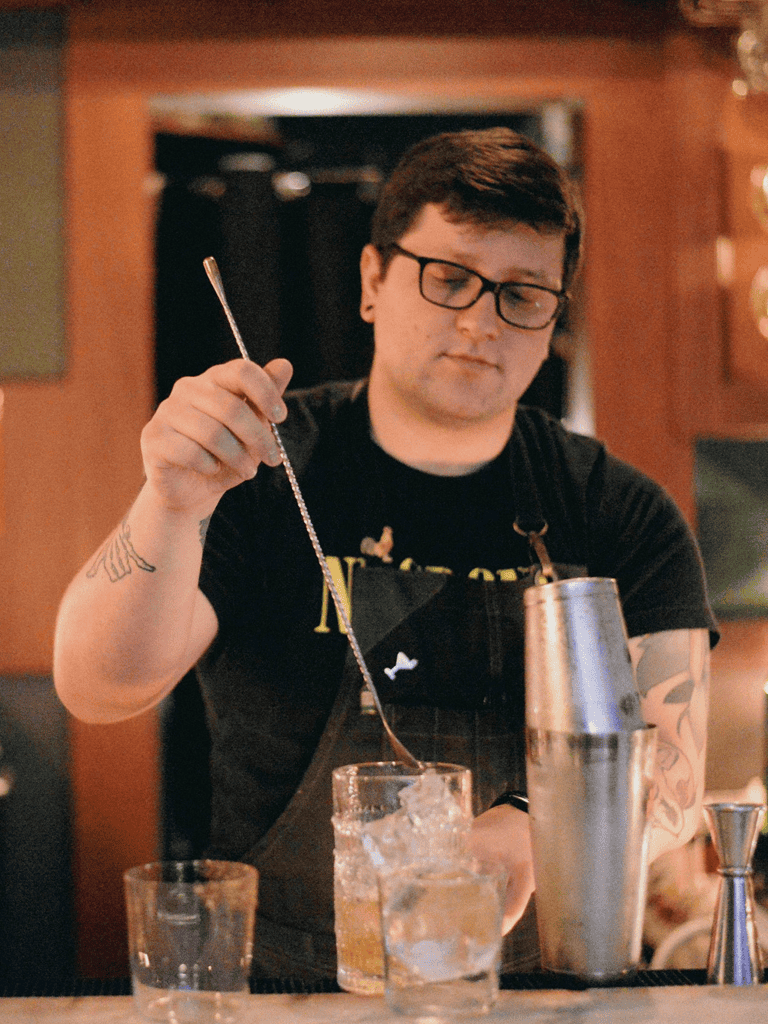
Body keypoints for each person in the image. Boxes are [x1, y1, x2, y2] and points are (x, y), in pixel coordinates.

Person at [54, 128, 717, 978]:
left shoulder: (617, 511)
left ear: (555, 316)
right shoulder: (257, 467)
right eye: (450, 278)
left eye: (522, 294)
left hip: (533, 989)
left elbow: (678, 782)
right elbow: (97, 685)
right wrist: (170, 503)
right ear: (372, 281)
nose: (480, 322)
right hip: (284, 989)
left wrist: (533, 825)